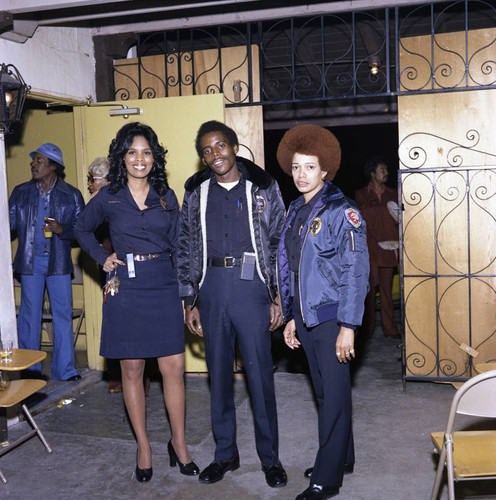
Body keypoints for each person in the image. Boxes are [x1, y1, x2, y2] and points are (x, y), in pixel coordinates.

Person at [75, 123, 197, 482]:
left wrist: (186, 295)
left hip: (163, 285)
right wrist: (102, 257)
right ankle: (143, 447)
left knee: (174, 368)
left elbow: (180, 247)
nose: (139, 159)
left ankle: (180, 443)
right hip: (126, 289)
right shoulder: (109, 196)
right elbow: (81, 227)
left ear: (154, 157)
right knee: (132, 369)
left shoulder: (166, 196)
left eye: (145, 152)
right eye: (132, 152)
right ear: (122, 157)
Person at [177, 120, 287, 488]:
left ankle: (270, 459)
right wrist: (190, 298)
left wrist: (277, 295)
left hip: (252, 290)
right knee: (219, 378)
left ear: (235, 147)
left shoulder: (263, 188)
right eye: (206, 151)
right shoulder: (196, 194)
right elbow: (186, 246)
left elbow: (278, 243)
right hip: (212, 290)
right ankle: (225, 454)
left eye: (220, 146)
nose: (214, 155)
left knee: (259, 378)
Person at [276, 124, 369, 500]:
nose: (301, 174)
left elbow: (356, 271)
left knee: (333, 394)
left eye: (310, 167)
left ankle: (326, 479)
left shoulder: (341, 210)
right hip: (308, 314)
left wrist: (348, 325)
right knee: (326, 394)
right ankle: (341, 456)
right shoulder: (296, 209)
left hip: (333, 317)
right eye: (297, 167)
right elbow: (295, 268)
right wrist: (291, 316)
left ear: (325, 170)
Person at [9, 143, 84, 381]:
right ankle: (30, 372)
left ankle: (66, 371)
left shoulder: (71, 194)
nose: (34, 164)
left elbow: (83, 230)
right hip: (30, 263)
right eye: (34, 160)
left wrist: (62, 229)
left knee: (62, 315)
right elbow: (6, 226)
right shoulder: (21, 193)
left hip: (59, 263)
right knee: (30, 316)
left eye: (40, 161)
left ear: (54, 167)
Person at [87, 157, 121, 393]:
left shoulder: (111, 199)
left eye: (91, 179)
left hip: (118, 267)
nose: (89, 184)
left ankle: (125, 378)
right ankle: (120, 377)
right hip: (107, 266)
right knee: (115, 321)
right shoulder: (98, 201)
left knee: (120, 321)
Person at [355, 156, 400, 339]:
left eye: (387, 170)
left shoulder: (393, 193)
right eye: (382, 170)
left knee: (387, 292)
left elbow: (399, 219)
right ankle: (367, 330)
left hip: (388, 248)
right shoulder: (361, 194)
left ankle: (391, 329)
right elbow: (359, 220)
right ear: (372, 173)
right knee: (368, 292)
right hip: (369, 248)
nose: (386, 173)